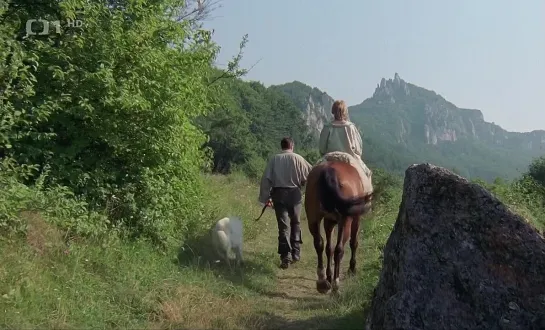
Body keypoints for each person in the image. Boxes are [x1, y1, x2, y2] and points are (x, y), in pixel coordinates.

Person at [258, 137, 313, 269]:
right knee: (296, 223)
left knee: (283, 226)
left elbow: (266, 180)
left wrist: (265, 198)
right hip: (295, 195)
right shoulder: (299, 159)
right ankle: (296, 253)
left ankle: (285, 257)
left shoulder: (274, 159)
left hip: (279, 195)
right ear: (292, 146)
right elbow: (311, 175)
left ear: (281, 146)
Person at [318, 99, 372, 188]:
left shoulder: (327, 127)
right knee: (367, 174)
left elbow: (322, 148)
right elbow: (358, 149)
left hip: (329, 158)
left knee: (313, 176)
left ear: (333, 111)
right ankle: (367, 201)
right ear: (344, 112)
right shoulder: (351, 127)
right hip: (350, 158)